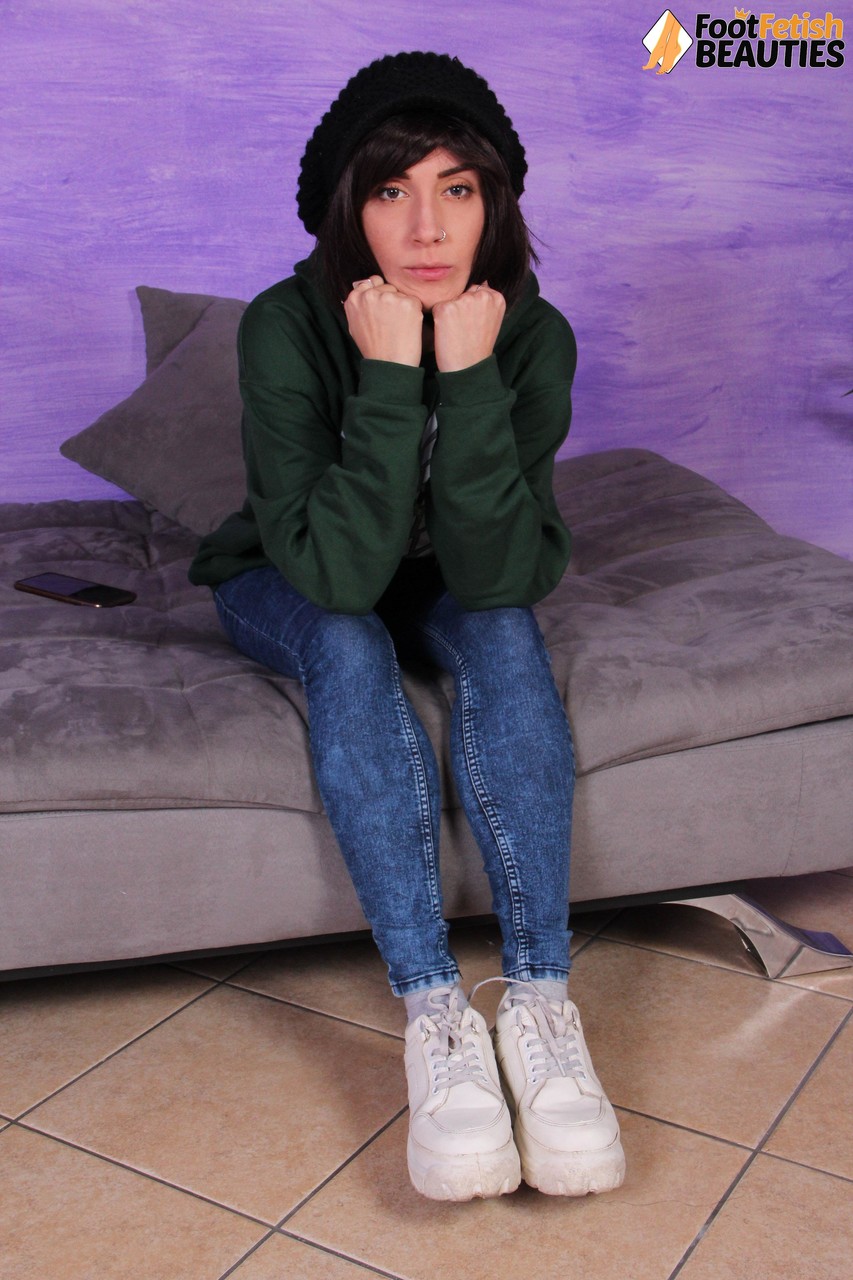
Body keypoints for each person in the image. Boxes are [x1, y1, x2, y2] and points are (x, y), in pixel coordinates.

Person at [190, 51, 625, 1202]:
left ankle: (540, 1003)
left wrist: (469, 377)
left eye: (456, 189)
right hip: (292, 572)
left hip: (444, 576)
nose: (426, 227)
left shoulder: (530, 335)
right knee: (348, 642)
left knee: (505, 635)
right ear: (349, 206)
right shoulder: (284, 326)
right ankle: (436, 1014)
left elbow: (497, 574)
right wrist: (391, 378)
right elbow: (335, 575)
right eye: (391, 190)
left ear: (494, 204)